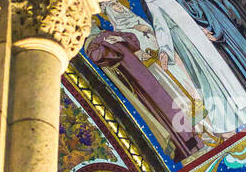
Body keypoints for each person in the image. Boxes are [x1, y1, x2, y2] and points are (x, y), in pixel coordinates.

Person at [124, 0, 246, 137]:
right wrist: (164, 48)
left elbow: (183, 16)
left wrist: (200, 28)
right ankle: (224, 125)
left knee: (220, 71)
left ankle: (245, 114)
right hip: (184, 40)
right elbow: (160, 26)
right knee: (207, 78)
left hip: (194, 35)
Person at [86, 27, 207, 161]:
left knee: (168, 104)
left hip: (142, 73)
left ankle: (193, 141)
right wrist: (106, 42)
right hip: (133, 78)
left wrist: (119, 39)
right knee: (160, 111)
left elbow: (132, 40)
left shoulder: (105, 33)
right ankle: (185, 147)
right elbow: (104, 55)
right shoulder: (91, 45)